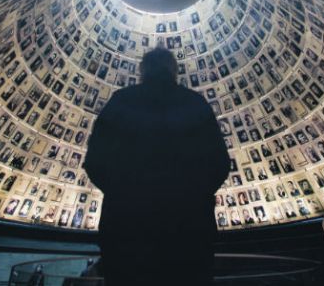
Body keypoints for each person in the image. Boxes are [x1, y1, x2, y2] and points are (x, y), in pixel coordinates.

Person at [83, 48, 230, 286]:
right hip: (188, 231)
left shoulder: (121, 101)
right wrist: (194, 197)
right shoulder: (194, 103)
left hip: (126, 230)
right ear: (175, 70)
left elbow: (95, 161)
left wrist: (121, 194)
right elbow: (219, 164)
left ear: (142, 70)